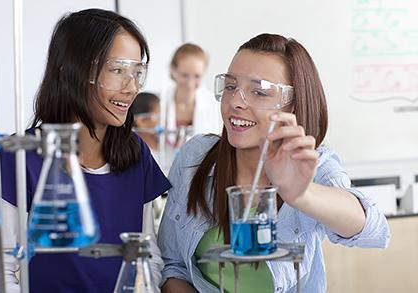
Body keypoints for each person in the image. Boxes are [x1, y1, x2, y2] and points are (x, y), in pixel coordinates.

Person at [158, 34, 390, 293]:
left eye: (258, 92)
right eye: (231, 86)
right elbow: (173, 266)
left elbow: (374, 231)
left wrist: (303, 195)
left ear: (293, 106)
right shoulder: (195, 157)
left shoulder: (311, 163)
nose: (236, 101)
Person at [0, 9, 171, 293]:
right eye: (118, 70)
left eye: (137, 71)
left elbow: (148, 255)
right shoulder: (19, 157)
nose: (131, 87)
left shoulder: (135, 154)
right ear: (73, 71)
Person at [160, 43, 222, 148]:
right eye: (185, 75)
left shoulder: (212, 102)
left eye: (197, 76)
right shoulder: (160, 102)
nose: (190, 84)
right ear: (173, 70)